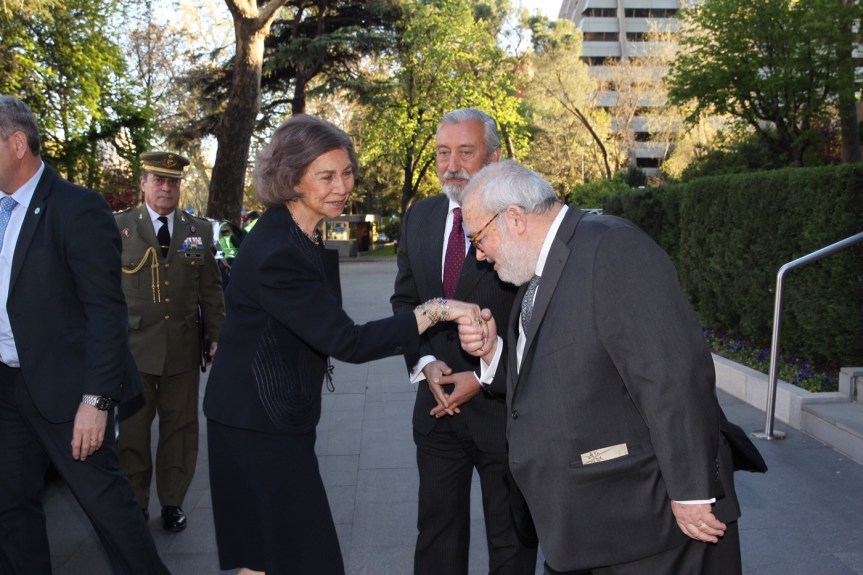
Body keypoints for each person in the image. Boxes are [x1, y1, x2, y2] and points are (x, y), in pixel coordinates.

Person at [202, 113, 483, 575]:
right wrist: (436, 309)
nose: (342, 187)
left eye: (347, 172)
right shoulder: (277, 250)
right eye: (326, 176)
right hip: (256, 425)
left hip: (270, 415)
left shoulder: (298, 233)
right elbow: (348, 341)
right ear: (292, 178)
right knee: (291, 557)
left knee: (265, 557)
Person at [457, 159, 751, 575]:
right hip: (589, 529)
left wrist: (692, 490)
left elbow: (671, 373)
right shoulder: (538, 272)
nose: (478, 254)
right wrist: (493, 353)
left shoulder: (611, 247)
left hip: (652, 528)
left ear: (516, 218)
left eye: (478, 238)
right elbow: (555, 376)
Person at [0, 95, 170, 574]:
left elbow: (105, 312)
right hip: (7, 388)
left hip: (67, 392)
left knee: (110, 512)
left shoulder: (77, 208)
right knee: (10, 509)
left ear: (17, 144)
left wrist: (95, 401)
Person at [391, 109, 538, 575]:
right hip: (437, 414)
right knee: (437, 538)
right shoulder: (419, 218)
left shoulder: (518, 220)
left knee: (511, 542)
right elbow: (405, 301)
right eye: (442, 153)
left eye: (465, 152)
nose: (451, 165)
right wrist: (426, 362)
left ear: (493, 157)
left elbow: (536, 317)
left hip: (503, 414)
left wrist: (483, 375)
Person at [115, 151, 225, 532]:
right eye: (158, 180)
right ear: (143, 183)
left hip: (181, 349)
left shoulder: (197, 232)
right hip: (134, 351)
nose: (166, 188)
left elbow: (209, 289)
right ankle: (135, 503)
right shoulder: (120, 228)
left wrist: (218, 336)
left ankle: (172, 502)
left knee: (180, 430)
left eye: (173, 182)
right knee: (133, 434)